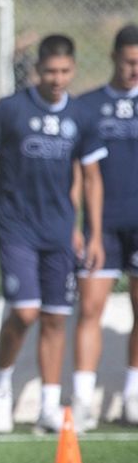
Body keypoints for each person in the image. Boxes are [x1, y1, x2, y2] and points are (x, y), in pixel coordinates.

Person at [0, 34, 106, 434]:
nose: (57, 78)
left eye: (64, 71)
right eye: (49, 71)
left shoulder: (81, 115)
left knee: (56, 318)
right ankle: (0, 386)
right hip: (16, 227)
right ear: (37, 70)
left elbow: (92, 177)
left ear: (73, 70)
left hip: (59, 231)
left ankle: (47, 406)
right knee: (25, 312)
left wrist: (91, 233)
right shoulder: (11, 110)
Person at [72, 24, 138, 428]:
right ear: (114, 58)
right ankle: (80, 400)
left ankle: (133, 394)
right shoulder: (87, 106)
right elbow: (78, 172)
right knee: (90, 308)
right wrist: (74, 224)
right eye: (130, 61)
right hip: (101, 226)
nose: (136, 69)